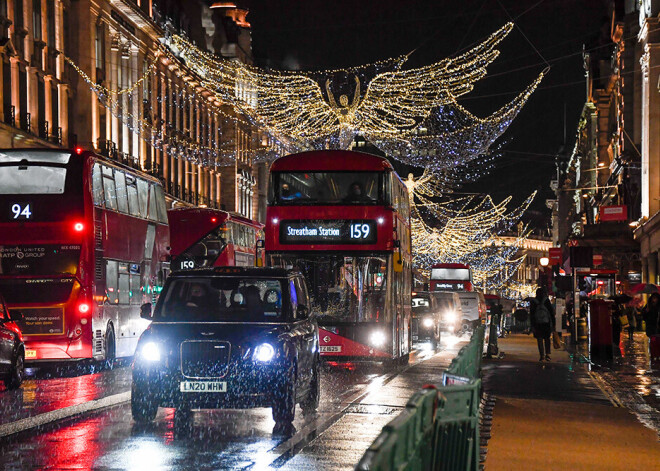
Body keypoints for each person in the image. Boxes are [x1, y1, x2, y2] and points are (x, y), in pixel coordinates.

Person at [530, 287, 555, 362]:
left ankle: (542, 355)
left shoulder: (534, 301)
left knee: (539, 339)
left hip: (537, 323)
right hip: (546, 323)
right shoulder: (546, 301)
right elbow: (551, 312)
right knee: (547, 339)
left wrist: (532, 325)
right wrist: (553, 323)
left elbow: (532, 314)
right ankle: (547, 354)